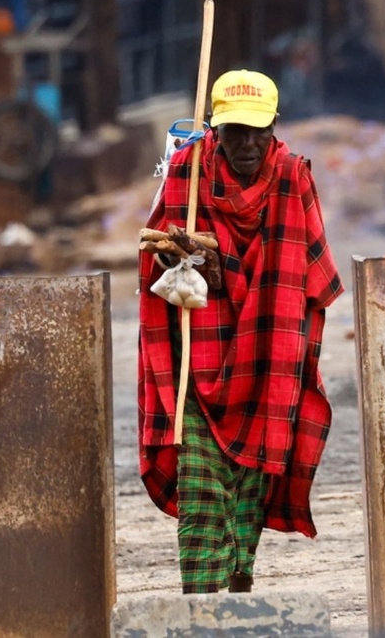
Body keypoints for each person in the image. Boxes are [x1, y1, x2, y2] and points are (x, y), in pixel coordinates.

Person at [137, 69, 344, 595]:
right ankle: (201, 610)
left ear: (275, 126)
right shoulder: (186, 170)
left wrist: (235, 270)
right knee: (202, 484)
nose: (247, 144)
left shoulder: (294, 175)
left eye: (258, 130)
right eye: (234, 131)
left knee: (250, 482)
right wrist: (177, 258)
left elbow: (313, 277)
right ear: (215, 129)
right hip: (198, 352)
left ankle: (236, 596)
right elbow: (152, 263)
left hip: (265, 353)